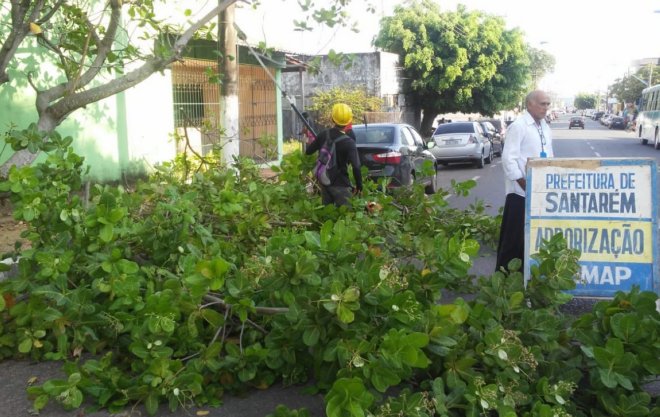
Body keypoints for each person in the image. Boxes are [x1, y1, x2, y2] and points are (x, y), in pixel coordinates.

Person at [496, 90, 554, 272]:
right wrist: (523, 183)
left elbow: (549, 156)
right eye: (542, 104)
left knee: (533, 240)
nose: (546, 108)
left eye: (547, 104)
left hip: (540, 193)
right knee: (513, 242)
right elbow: (508, 159)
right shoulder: (519, 126)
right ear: (529, 104)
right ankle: (505, 281)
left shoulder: (545, 126)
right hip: (520, 194)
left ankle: (527, 281)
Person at [305, 103, 363, 207]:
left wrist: (315, 140)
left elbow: (308, 151)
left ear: (332, 119)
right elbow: (356, 166)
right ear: (349, 121)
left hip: (324, 181)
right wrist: (359, 186)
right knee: (346, 217)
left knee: (328, 215)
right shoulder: (349, 142)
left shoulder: (324, 134)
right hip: (341, 184)